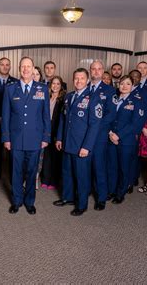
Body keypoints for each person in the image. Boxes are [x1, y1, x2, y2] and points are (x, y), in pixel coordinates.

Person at [2, 56, 51, 215]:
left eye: (28, 66)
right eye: (23, 66)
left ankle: (30, 201)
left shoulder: (42, 88)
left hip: (35, 139)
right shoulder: (10, 89)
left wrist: (46, 137)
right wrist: (6, 138)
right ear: (19, 69)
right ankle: (16, 201)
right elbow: (6, 116)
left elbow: (45, 116)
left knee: (31, 172)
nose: (25, 69)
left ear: (32, 68)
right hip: (16, 139)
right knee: (16, 172)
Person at [55, 68, 102, 216]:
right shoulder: (69, 97)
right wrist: (59, 138)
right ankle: (67, 197)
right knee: (66, 172)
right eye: (76, 78)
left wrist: (87, 147)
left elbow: (95, 125)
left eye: (82, 78)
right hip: (68, 142)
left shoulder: (93, 98)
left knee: (82, 176)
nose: (78, 81)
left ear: (87, 80)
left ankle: (82, 205)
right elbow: (63, 119)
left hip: (82, 145)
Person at [108, 75, 145, 204]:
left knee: (124, 167)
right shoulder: (114, 99)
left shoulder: (137, 101)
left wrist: (119, 135)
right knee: (112, 166)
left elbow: (136, 123)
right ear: (118, 85)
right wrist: (110, 133)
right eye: (122, 83)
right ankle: (112, 190)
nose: (124, 86)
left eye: (128, 84)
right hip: (111, 137)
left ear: (132, 86)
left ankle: (120, 193)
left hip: (126, 140)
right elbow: (108, 118)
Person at [86, 60, 117, 210]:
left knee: (99, 166)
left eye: (99, 69)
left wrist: (95, 127)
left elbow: (111, 115)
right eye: (94, 69)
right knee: (85, 166)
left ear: (103, 71)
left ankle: (101, 197)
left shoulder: (110, 91)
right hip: (84, 135)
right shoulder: (84, 88)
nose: (96, 72)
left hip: (99, 135)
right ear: (90, 71)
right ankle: (85, 191)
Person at [41, 76, 66, 190]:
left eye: (58, 84)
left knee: (55, 156)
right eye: (53, 83)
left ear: (61, 86)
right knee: (46, 155)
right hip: (46, 129)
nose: (55, 86)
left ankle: (53, 181)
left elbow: (62, 118)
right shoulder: (47, 97)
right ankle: (45, 179)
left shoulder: (63, 99)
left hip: (56, 130)